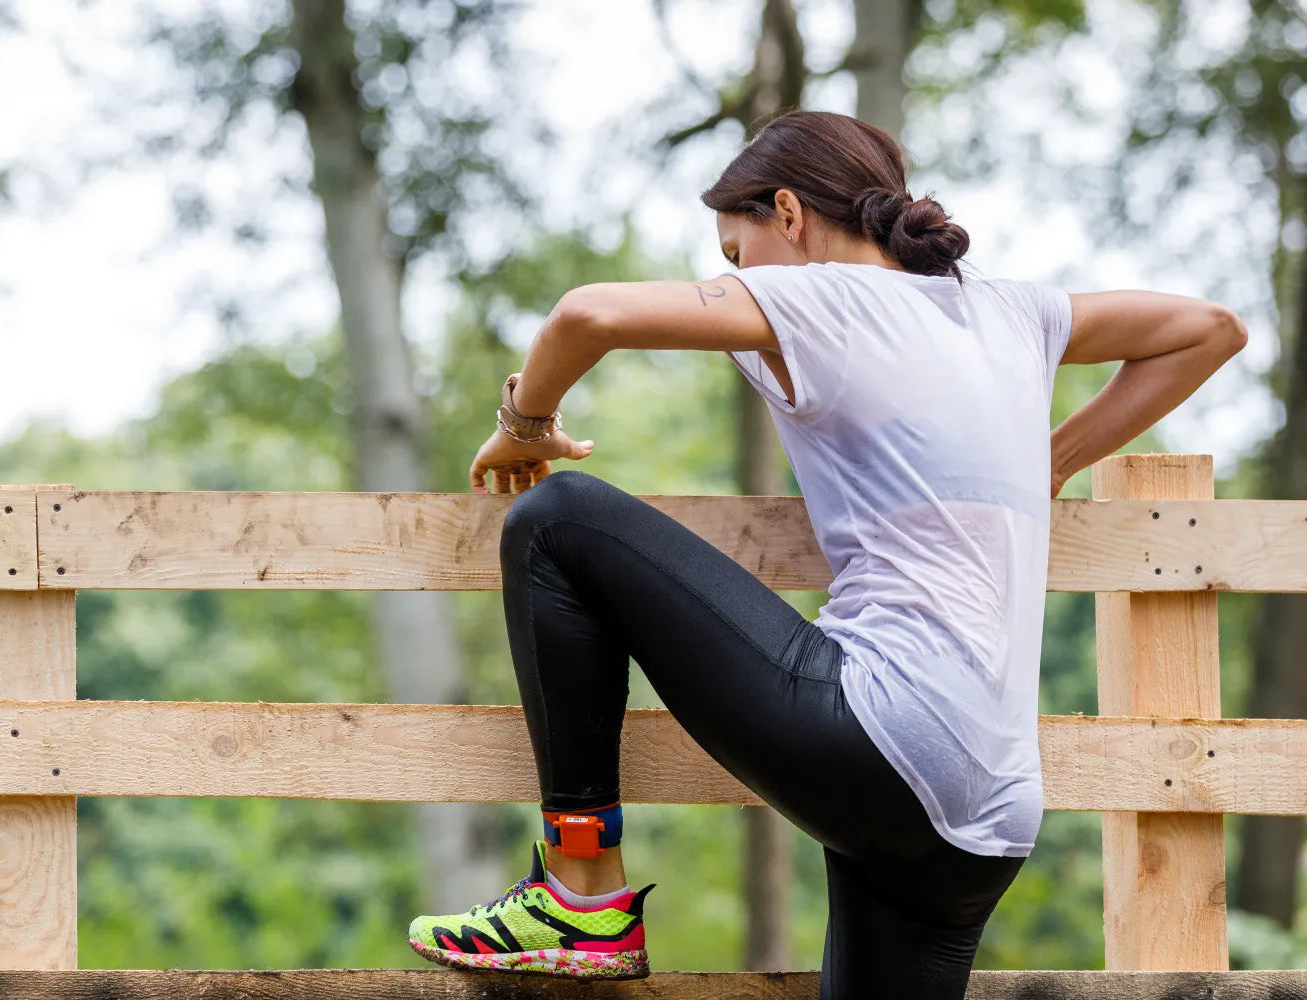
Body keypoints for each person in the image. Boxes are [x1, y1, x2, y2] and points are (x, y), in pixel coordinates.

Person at [405, 108, 1247, 997]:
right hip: (988, 816)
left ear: (790, 213)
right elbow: (1212, 328)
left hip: (883, 736)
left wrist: (523, 426)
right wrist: (1053, 459)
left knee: (558, 519)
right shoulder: (1011, 308)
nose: (739, 280)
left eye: (738, 253)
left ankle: (579, 894)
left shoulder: (826, 294)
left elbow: (587, 314)